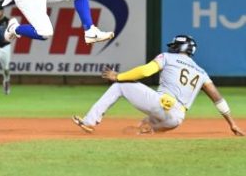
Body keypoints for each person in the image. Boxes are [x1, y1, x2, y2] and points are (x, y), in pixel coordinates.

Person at [72, 35, 245, 136]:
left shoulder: (168, 57)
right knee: (143, 125)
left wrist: (118, 76)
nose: (172, 48)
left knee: (120, 86)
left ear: (180, 47)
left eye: (175, 45)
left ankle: (90, 121)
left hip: (162, 104)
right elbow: (218, 99)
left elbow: (146, 71)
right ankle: (145, 131)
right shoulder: (201, 72)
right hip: (176, 120)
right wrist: (232, 124)